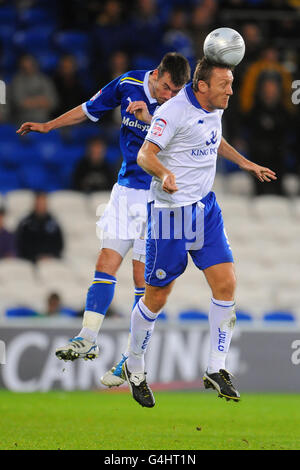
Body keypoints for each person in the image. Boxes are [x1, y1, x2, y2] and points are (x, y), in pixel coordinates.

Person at [110, 58, 276, 408]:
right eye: (225, 84)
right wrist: (164, 174)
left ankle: (216, 368)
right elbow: (145, 154)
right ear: (202, 86)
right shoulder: (173, 111)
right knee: (156, 298)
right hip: (170, 216)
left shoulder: (213, 107)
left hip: (205, 209)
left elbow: (212, 139)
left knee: (226, 282)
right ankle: (135, 366)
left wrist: (245, 163)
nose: (231, 90)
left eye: (231, 83)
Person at [16, 52, 191, 363]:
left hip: (157, 197)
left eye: (176, 91)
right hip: (125, 191)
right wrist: (49, 126)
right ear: (157, 74)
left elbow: (186, 146)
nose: (170, 95)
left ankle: (134, 357)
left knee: (142, 277)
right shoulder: (128, 83)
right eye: (166, 88)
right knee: (105, 263)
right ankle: (88, 337)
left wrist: (150, 120)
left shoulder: (182, 103)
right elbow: (88, 110)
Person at [15, 192, 64, 263]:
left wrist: (50, 255)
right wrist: (35, 257)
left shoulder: (53, 223)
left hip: (50, 259)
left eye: (43, 203)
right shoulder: (26, 223)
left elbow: (59, 244)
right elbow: (21, 244)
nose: (41, 205)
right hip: (31, 260)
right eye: (39, 203)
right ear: (35, 203)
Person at [10, 54, 58, 126]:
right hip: (23, 121)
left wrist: (30, 102)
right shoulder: (17, 81)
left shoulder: (44, 79)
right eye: (24, 66)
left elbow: (53, 102)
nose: (28, 67)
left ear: (35, 64)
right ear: (21, 66)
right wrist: (41, 101)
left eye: (30, 65)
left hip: (45, 120)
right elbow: (20, 103)